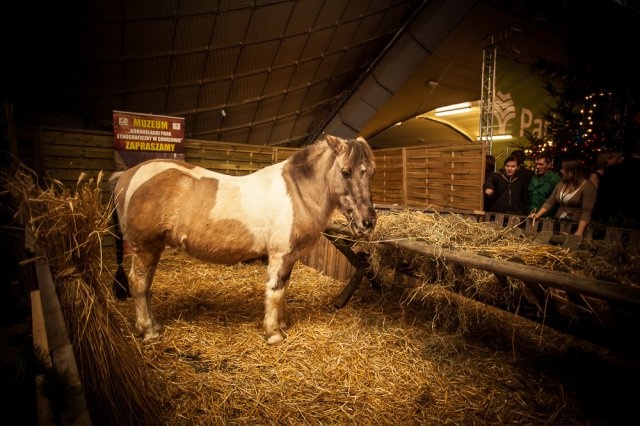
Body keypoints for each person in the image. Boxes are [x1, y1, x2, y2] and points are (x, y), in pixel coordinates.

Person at [530, 158, 597, 236]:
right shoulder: (561, 183)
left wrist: (579, 231)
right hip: (559, 222)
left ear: (572, 171)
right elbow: (550, 201)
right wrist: (538, 214)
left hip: (574, 225)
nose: (561, 171)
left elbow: (586, 211)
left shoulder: (587, 187)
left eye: (563, 169)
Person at [593, 149, 640, 229]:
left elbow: (603, 195)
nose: (622, 159)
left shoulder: (612, 169)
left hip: (613, 216)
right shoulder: (607, 171)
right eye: (618, 158)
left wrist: (598, 216)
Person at [528, 152, 560, 217]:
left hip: (546, 216)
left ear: (549, 165)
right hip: (531, 215)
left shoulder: (555, 179)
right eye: (536, 164)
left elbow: (555, 201)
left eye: (541, 164)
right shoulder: (534, 178)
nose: (537, 167)